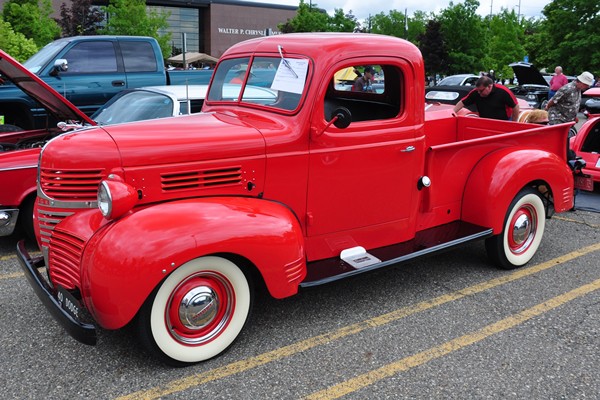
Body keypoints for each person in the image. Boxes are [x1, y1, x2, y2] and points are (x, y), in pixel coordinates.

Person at [453, 75, 520, 121]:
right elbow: (462, 102)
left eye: (481, 91)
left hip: (503, 121)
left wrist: (514, 123)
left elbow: (515, 106)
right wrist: (452, 113)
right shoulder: (476, 92)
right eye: (478, 90)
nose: (479, 93)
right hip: (485, 121)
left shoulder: (503, 91)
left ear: (490, 86)